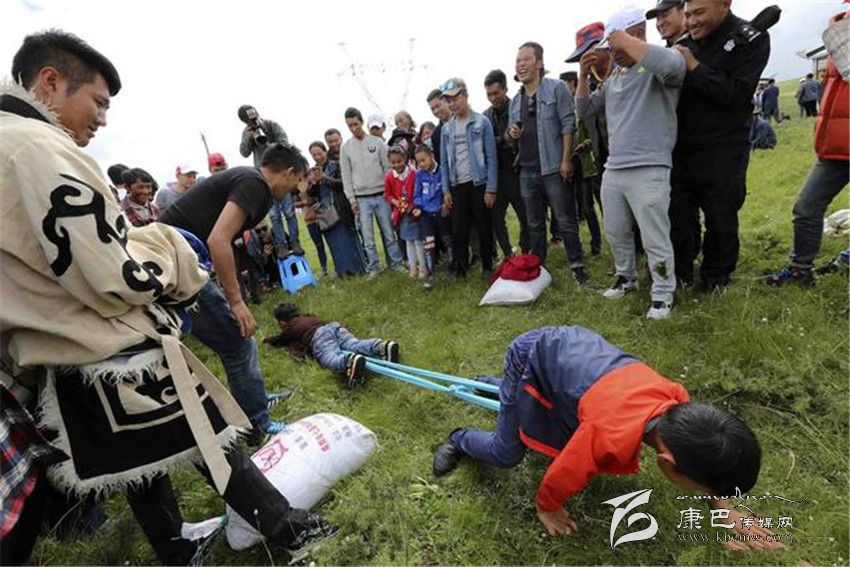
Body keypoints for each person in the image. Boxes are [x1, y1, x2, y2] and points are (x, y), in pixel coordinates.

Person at [1, 29, 332, 565]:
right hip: (101, 334)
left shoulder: (8, 140)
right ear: (51, 82)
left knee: (138, 449)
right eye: (98, 103)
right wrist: (171, 250)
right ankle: (287, 527)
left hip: (51, 341)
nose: (102, 119)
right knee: (205, 425)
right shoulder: (38, 147)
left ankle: (175, 545)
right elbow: (113, 271)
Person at [431, 327, 777, 550]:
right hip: (531, 355)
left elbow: (703, 458)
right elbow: (561, 474)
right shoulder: (605, 436)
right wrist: (547, 507)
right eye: (703, 489)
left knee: (555, 417)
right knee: (506, 452)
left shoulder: (681, 408)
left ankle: (496, 387)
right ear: (667, 463)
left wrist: (723, 508)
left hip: (576, 361)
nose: (703, 492)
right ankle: (459, 438)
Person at [159, 143, 309, 438]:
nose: (297, 189)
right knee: (238, 343)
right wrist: (237, 302)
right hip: (175, 268)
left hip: (176, 265)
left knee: (237, 342)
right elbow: (218, 240)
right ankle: (256, 424)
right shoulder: (255, 184)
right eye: (298, 180)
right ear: (289, 172)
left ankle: (254, 400)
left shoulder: (248, 180)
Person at [577, 8, 684, 320]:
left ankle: (663, 294)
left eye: (614, 46)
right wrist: (583, 76)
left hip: (650, 165)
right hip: (615, 167)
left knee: (654, 236)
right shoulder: (615, 77)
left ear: (636, 35)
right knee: (616, 231)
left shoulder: (662, 62)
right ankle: (626, 278)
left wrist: (626, 42)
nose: (611, 54)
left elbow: (674, 68)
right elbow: (585, 111)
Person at [668, 0, 770, 292]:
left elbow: (737, 94)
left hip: (724, 148)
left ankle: (715, 278)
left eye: (699, 13)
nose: (691, 21)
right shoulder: (684, 43)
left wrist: (694, 66)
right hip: (683, 147)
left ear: (725, 4)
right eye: (688, 14)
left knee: (720, 215)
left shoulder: (751, 39)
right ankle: (681, 272)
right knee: (679, 215)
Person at [765, 10, 849, 286]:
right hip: (836, 145)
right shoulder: (843, 20)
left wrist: (837, 35)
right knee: (806, 207)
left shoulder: (840, 27)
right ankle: (801, 269)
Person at [508, 43, 589, 284]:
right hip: (527, 169)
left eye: (526, 59)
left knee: (565, 220)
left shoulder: (557, 89)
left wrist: (566, 159)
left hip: (554, 166)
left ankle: (577, 266)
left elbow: (568, 125)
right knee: (534, 224)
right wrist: (511, 134)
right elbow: (510, 135)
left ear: (539, 63)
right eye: (518, 61)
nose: (521, 65)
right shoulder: (516, 101)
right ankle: (538, 268)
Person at [439, 77, 498, 279]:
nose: (452, 103)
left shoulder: (482, 123)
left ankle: (488, 266)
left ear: (465, 95)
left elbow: (491, 157)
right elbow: (444, 162)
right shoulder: (446, 129)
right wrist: (446, 190)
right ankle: (460, 269)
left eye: (455, 98)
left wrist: (491, 188)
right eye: (448, 100)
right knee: (459, 230)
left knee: (484, 227)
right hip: (457, 185)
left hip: (479, 183)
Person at [264, 303, 400, 387]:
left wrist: (267, 339)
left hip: (319, 335)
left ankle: (348, 362)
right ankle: (381, 346)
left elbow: (279, 340)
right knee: (353, 344)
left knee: (328, 357)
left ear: (282, 323)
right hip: (334, 326)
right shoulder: (308, 316)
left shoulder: (290, 329)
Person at [340, 107, 405, 277]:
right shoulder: (346, 148)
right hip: (361, 199)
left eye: (355, 124)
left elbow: (387, 168)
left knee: (389, 233)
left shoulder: (377, 143)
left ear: (362, 122)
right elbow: (346, 176)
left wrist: (390, 193)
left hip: (381, 194)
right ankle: (374, 267)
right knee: (367, 237)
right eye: (349, 126)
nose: (353, 128)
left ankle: (396, 263)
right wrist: (352, 200)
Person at [238, 104, 302, 258]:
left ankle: (295, 241)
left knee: (289, 212)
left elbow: (285, 144)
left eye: (253, 118)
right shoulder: (247, 132)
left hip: (281, 175)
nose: (252, 122)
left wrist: (266, 143)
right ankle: (281, 246)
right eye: (248, 120)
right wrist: (249, 138)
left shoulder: (271, 126)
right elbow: (244, 152)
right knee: (274, 215)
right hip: (264, 179)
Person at [483, 69, 530, 260]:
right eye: (489, 94)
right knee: (496, 218)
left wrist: (500, 140)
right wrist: (504, 139)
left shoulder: (517, 109)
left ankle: (526, 253)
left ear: (505, 89)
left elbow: (522, 136)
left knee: (525, 216)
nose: (492, 98)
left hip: (518, 171)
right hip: (496, 175)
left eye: (496, 93)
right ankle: (508, 255)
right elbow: (486, 145)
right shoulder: (485, 116)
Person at [307, 141, 367, 277]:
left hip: (339, 207)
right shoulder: (313, 171)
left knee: (347, 239)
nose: (317, 157)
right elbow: (311, 194)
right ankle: (342, 271)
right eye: (314, 155)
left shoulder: (337, 165)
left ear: (325, 151)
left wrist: (324, 178)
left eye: (319, 153)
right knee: (333, 241)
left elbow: (344, 184)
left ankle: (357, 270)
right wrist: (312, 184)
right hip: (325, 212)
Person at [561, 70, 603, 257]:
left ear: (572, 83)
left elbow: (593, 135)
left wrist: (581, 145)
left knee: (587, 207)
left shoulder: (582, 106)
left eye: (565, 84)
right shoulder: (562, 108)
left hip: (585, 164)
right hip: (568, 165)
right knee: (571, 209)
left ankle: (596, 244)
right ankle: (576, 247)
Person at [412, 144, 453, 290]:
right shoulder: (419, 175)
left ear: (432, 156)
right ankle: (430, 275)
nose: (421, 164)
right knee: (428, 245)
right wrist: (418, 207)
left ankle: (451, 269)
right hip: (426, 215)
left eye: (423, 160)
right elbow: (417, 194)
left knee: (447, 241)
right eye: (418, 162)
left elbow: (447, 191)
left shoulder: (443, 172)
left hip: (442, 212)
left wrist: (445, 205)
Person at [385, 145, 425, 278]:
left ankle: (423, 268)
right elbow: (387, 194)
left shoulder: (414, 173)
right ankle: (413, 268)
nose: (397, 165)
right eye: (393, 162)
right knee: (408, 241)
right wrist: (395, 202)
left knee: (418, 240)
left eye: (399, 161)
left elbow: (418, 191)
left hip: (414, 212)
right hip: (401, 214)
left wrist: (413, 206)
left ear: (405, 158)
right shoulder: (389, 176)